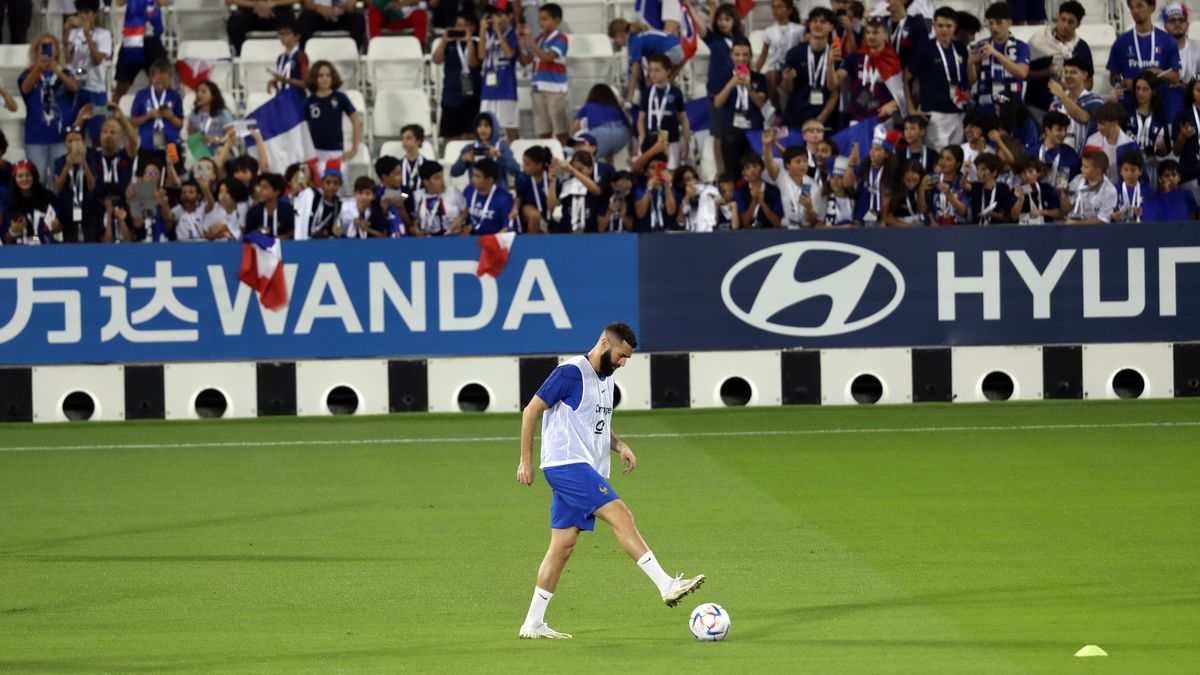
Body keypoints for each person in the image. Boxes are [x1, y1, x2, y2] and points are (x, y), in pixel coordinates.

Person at [516, 322, 705, 640]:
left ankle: (532, 623)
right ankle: (666, 584)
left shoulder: (605, 380)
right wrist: (525, 460)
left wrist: (620, 445)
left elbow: (596, 424)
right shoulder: (570, 373)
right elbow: (531, 410)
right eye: (621, 355)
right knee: (621, 514)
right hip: (567, 464)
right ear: (605, 343)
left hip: (581, 466)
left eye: (627, 358)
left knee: (562, 547)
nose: (623, 363)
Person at [903, 7, 968, 149]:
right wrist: (910, 108)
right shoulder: (925, 49)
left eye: (948, 26)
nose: (944, 30)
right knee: (938, 160)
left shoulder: (961, 48)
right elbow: (906, 76)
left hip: (958, 112)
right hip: (935, 113)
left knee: (955, 158)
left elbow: (964, 76)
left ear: (955, 27)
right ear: (934, 25)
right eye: (940, 26)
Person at [20, 36, 78, 186]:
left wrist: (56, 70)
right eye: (43, 45)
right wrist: (38, 69)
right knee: (37, 180)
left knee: (58, 180)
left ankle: (57, 209)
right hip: (35, 137)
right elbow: (25, 89)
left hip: (60, 138)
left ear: (57, 50)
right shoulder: (28, 73)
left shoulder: (65, 72)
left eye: (50, 45)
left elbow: (74, 87)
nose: (46, 48)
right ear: (37, 50)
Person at [696, 2, 745, 172]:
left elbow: (749, 61)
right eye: (719, 19)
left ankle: (739, 169)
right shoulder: (713, 39)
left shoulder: (741, 40)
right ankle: (721, 172)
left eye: (727, 19)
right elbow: (698, 24)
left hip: (739, 93)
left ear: (734, 20)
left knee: (738, 132)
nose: (723, 22)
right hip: (717, 93)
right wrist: (686, 5)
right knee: (718, 135)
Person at [1108, 0, 1180, 111]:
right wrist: (1122, 82)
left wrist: (1157, 72)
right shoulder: (1121, 42)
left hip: (1159, 106)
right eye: (1132, 8)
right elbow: (1113, 77)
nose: (1135, 11)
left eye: (1139, 6)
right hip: (1129, 105)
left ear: (1152, 7)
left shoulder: (1167, 41)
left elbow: (1175, 77)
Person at [1025, 1, 1091, 119]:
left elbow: (1089, 82)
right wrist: (1047, 72)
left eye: (1071, 22)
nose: (1065, 25)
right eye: (1062, 19)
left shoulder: (1081, 48)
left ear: (1078, 24)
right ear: (1058, 18)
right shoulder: (1038, 41)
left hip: (1068, 109)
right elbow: (1025, 75)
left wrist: (1071, 85)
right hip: (1037, 106)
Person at [832, 18, 904, 125]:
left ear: (885, 34)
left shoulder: (893, 60)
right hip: (857, 118)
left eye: (875, 32)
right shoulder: (855, 57)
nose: (870, 36)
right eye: (868, 32)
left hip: (884, 119)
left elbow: (902, 92)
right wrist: (829, 66)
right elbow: (834, 83)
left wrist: (893, 104)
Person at [714, 39, 769, 177]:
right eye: (737, 55)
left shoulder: (759, 78)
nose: (741, 58)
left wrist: (749, 87)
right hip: (731, 130)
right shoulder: (723, 77)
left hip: (754, 130)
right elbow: (717, 103)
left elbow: (761, 103)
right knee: (732, 173)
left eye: (745, 55)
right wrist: (730, 84)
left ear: (750, 56)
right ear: (731, 55)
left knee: (755, 172)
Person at [781, 8, 840, 130]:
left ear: (831, 27)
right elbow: (787, 90)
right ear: (809, 24)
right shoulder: (794, 53)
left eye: (823, 21)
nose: (818, 24)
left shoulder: (836, 55)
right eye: (815, 21)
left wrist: (821, 119)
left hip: (824, 117)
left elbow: (835, 92)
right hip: (796, 116)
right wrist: (787, 79)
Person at [967, 3, 1030, 115]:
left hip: (1011, 107)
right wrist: (970, 63)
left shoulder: (1021, 46)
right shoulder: (981, 46)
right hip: (985, 107)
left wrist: (996, 54)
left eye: (999, 23)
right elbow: (971, 81)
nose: (994, 27)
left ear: (1009, 23)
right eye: (991, 23)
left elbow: (1022, 74)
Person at [64, 0, 112, 145]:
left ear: (95, 14)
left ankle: (99, 163)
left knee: (99, 133)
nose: (83, 16)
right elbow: (69, 60)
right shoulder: (74, 34)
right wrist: (66, 36)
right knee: (76, 132)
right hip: (78, 88)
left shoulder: (104, 34)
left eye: (87, 12)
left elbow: (97, 60)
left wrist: (88, 36)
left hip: (97, 91)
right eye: (80, 12)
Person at [522, 3, 570, 145]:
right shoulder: (538, 39)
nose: (541, 23)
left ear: (557, 20)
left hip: (555, 90)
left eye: (545, 19)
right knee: (543, 130)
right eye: (540, 19)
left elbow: (548, 57)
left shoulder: (561, 38)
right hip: (538, 89)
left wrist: (529, 39)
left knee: (560, 130)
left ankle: (565, 156)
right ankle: (545, 158)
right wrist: (521, 41)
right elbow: (526, 60)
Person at [304, 61, 362, 172]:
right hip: (314, 152)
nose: (325, 79)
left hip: (335, 152)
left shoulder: (340, 97)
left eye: (328, 75)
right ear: (314, 78)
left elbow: (355, 119)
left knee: (337, 186)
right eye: (321, 76)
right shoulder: (308, 101)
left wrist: (354, 149)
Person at [433, 12, 482, 141]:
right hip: (451, 96)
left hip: (472, 96)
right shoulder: (448, 44)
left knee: (474, 136)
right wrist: (444, 40)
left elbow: (473, 63)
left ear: (472, 27)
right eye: (458, 25)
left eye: (465, 26)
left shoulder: (477, 44)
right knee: (450, 137)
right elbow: (436, 59)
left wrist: (469, 42)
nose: (461, 29)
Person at [637, 54, 690, 169]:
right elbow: (641, 119)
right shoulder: (646, 93)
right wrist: (642, 139)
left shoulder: (676, 92)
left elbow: (684, 119)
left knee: (670, 171)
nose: (653, 74)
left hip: (671, 140)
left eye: (657, 70)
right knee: (648, 170)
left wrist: (686, 142)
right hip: (650, 141)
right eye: (651, 70)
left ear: (668, 71)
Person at [762, 127, 822, 228]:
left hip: (806, 231)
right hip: (785, 230)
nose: (803, 165)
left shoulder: (813, 185)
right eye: (798, 161)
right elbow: (769, 163)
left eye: (805, 161)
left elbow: (813, 221)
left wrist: (809, 208)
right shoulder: (782, 178)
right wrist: (766, 145)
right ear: (787, 165)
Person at [129, 59, 183, 171]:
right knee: (146, 182)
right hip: (147, 145)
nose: (160, 86)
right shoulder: (142, 95)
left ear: (170, 78)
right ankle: (148, 189)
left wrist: (171, 116)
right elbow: (132, 123)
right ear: (151, 77)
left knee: (173, 179)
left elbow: (180, 125)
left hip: (171, 145)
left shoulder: (174, 96)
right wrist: (147, 116)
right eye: (157, 82)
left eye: (164, 83)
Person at [478, 3, 520, 142]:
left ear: (509, 16)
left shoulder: (513, 34)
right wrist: (482, 32)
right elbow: (481, 56)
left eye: (500, 15)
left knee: (510, 127)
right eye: (493, 15)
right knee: (486, 127)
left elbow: (509, 54)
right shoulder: (488, 35)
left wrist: (498, 32)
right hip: (488, 89)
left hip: (506, 88)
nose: (496, 18)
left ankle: (515, 158)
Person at [1121, 70, 1171, 185]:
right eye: (1138, 88)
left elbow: (1165, 151)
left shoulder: (1159, 117)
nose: (1140, 93)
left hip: (1150, 167)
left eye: (1145, 89)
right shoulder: (1126, 112)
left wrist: (1162, 148)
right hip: (1128, 166)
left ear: (1153, 91)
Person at [113, 0, 168, 102]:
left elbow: (163, 2)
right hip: (131, 39)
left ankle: (164, 113)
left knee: (162, 82)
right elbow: (119, 2)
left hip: (152, 39)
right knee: (121, 87)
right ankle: (113, 114)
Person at [1047, 57, 1102, 155]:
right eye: (1066, 72)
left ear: (1084, 75)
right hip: (1060, 157)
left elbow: (1083, 118)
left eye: (1073, 72)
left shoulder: (1094, 100)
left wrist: (1062, 94)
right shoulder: (1056, 101)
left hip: (1085, 159)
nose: (1068, 75)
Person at [757, 0, 806, 110]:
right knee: (770, 75)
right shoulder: (769, 31)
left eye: (779, 7)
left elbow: (804, 50)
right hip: (777, 67)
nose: (775, 10)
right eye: (773, 7)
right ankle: (777, 109)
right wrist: (754, 74)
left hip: (794, 67)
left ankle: (794, 108)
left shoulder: (799, 29)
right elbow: (763, 55)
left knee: (791, 79)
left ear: (789, 10)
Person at [51, 125, 95, 242]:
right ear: (65, 144)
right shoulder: (60, 161)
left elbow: (92, 185)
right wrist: (67, 165)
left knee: (89, 244)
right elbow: (58, 187)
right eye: (70, 141)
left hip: (87, 211)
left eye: (77, 140)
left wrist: (84, 162)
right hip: (67, 212)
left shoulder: (91, 159)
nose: (73, 144)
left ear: (83, 142)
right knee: (70, 245)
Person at [451, 112, 520, 185]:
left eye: (486, 125)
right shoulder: (469, 148)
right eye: (479, 126)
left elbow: (516, 171)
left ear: (494, 128)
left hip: (498, 192)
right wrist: (462, 160)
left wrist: (499, 157)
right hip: (476, 191)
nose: (482, 129)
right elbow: (454, 173)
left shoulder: (502, 148)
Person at [453, 157, 514, 235]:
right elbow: (463, 214)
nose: (473, 179)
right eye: (473, 175)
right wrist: (463, 226)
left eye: (477, 176)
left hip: (493, 242)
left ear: (490, 179)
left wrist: (492, 241)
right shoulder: (469, 190)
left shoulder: (504, 198)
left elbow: (507, 228)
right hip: (469, 239)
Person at [1083, 102, 1140, 184]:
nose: (1098, 127)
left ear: (1115, 122)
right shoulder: (1092, 142)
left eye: (1102, 124)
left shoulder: (1130, 146)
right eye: (1097, 123)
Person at [4, 162, 60, 245]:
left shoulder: (48, 197)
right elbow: (7, 239)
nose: (24, 179)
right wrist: (13, 231)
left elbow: (60, 228)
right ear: (14, 179)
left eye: (28, 175)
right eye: (20, 176)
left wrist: (57, 226)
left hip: (46, 245)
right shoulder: (9, 201)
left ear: (34, 176)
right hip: (20, 249)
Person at [572, 85, 631, 163]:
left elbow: (576, 126)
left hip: (601, 134)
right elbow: (628, 125)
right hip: (622, 135)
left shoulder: (588, 106)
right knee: (609, 151)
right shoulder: (615, 107)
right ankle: (611, 170)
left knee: (583, 155)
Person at [1162, 3, 1199, 122]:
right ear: (1165, 26)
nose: (1177, 24)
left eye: (1181, 20)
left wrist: (1187, 87)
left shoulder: (1198, 48)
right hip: (1165, 101)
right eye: (1172, 21)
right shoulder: (1158, 50)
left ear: (1187, 24)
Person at [918, 145, 971, 225]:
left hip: (959, 229)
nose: (943, 162)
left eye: (948, 159)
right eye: (941, 157)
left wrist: (948, 194)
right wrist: (921, 189)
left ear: (957, 164)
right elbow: (922, 210)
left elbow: (962, 210)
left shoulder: (961, 183)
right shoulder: (932, 179)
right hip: (935, 229)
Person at [411, 160, 466, 236]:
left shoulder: (453, 191)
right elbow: (415, 220)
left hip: (453, 237)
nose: (442, 180)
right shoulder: (417, 196)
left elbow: (465, 210)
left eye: (442, 176)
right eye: (437, 178)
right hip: (428, 239)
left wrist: (461, 219)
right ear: (426, 182)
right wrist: (415, 229)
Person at [552, 152, 602, 232]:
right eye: (574, 168)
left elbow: (595, 191)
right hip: (566, 231)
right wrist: (553, 180)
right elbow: (553, 204)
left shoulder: (593, 183)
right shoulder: (565, 184)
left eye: (580, 169)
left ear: (590, 169)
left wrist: (573, 170)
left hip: (590, 232)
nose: (576, 172)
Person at [1064, 149, 1118, 223]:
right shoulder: (1077, 180)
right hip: (1071, 226)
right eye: (1082, 165)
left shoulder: (1110, 191)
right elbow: (1066, 208)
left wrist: (1077, 224)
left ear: (1098, 171)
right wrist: (1062, 192)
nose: (1081, 169)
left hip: (1095, 232)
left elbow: (1103, 220)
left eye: (1086, 167)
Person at [226, 0, 295, 56]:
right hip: (250, 9)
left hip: (279, 9)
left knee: (294, 23)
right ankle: (239, 56)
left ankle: (293, 57)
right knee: (235, 24)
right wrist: (256, 5)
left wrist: (274, 3)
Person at [1170, 78, 1200, 205]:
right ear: (1192, 92)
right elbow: (1176, 152)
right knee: (1191, 216)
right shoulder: (1183, 116)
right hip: (1190, 172)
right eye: (1199, 90)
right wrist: (1182, 136)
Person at [515, 145, 557, 234]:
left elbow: (551, 207)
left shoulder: (550, 178)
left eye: (527, 164)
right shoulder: (523, 178)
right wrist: (514, 209)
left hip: (546, 215)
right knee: (535, 216)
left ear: (539, 165)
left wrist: (553, 182)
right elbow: (519, 197)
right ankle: (532, 244)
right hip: (526, 210)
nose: (523, 167)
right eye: (523, 163)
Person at [187, 81, 234, 158]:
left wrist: (216, 139)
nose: (199, 94)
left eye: (203, 92)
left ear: (213, 96)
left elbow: (231, 137)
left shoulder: (222, 113)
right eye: (197, 91)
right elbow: (192, 137)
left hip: (220, 150)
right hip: (200, 152)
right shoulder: (194, 114)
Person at [1035, 110, 1082, 187]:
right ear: (1047, 130)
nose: (1063, 134)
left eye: (1065, 129)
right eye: (1059, 130)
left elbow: (1064, 186)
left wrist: (1062, 188)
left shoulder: (1070, 156)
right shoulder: (1032, 152)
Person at [735, 152, 783, 228]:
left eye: (755, 166)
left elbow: (776, 223)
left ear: (762, 168)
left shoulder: (774, 191)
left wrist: (762, 203)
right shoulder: (740, 192)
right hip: (746, 234)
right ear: (743, 172)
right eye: (748, 168)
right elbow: (745, 222)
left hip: (769, 233)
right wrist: (754, 200)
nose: (752, 170)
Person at [1009, 156, 1062, 224]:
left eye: (1031, 171)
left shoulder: (1047, 189)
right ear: (1019, 175)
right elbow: (1014, 217)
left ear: (1038, 172)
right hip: (1022, 231)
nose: (1027, 176)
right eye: (1024, 173)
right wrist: (1020, 201)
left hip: (1046, 230)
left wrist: (1042, 212)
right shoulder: (1016, 191)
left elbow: (1057, 212)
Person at [299, 0, 367, 52]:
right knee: (305, 18)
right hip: (319, 13)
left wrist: (341, 8)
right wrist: (319, 8)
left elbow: (352, 3)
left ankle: (354, 53)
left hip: (342, 12)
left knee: (358, 19)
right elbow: (307, 2)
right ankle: (304, 55)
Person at [967, 152, 1013, 224]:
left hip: (997, 230)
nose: (979, 172)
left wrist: (991, 214)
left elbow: (1005, 216)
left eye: (983, 169)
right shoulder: (976, 186)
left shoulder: (1003, 188)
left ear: (994, 172)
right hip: (976, 229)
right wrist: (966, 172)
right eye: (977, 169)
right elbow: (963, 185)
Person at [246, 172, 296, 238]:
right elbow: (247, 234)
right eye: (260, 186)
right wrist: (256, 232)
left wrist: (284, 237)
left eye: (265, 187)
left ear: (276, 192)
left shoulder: (287, 210)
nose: (260, 190)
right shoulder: (254, 211)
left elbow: (293, 231)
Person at [883, 0, 928, 69]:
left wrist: (910, 71)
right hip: (885, 73)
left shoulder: (916, 24)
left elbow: (922, 52)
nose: (886, 1)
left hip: (907, 75)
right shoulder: (882, 22)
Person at [270, 17, 309, 94]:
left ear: (297, 37)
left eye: (287, 33)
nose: (283, 37)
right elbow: (282, 81)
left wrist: (285, 80)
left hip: (295, 99)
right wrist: (274, 82)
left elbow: (306, 83)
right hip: (282, 97)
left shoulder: (301, 56)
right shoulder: (280, 58)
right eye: (281, 33)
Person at [1113, 150, 1147, 222]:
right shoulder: (1114, 190)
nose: (1129, 173)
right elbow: (1108, 211)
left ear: (1140, 171)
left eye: (1133, 170)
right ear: (1121, 172)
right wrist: (1113, 216)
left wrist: (1144, 213)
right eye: (1126, 170)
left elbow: (1153, 213)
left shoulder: (1148, 191)